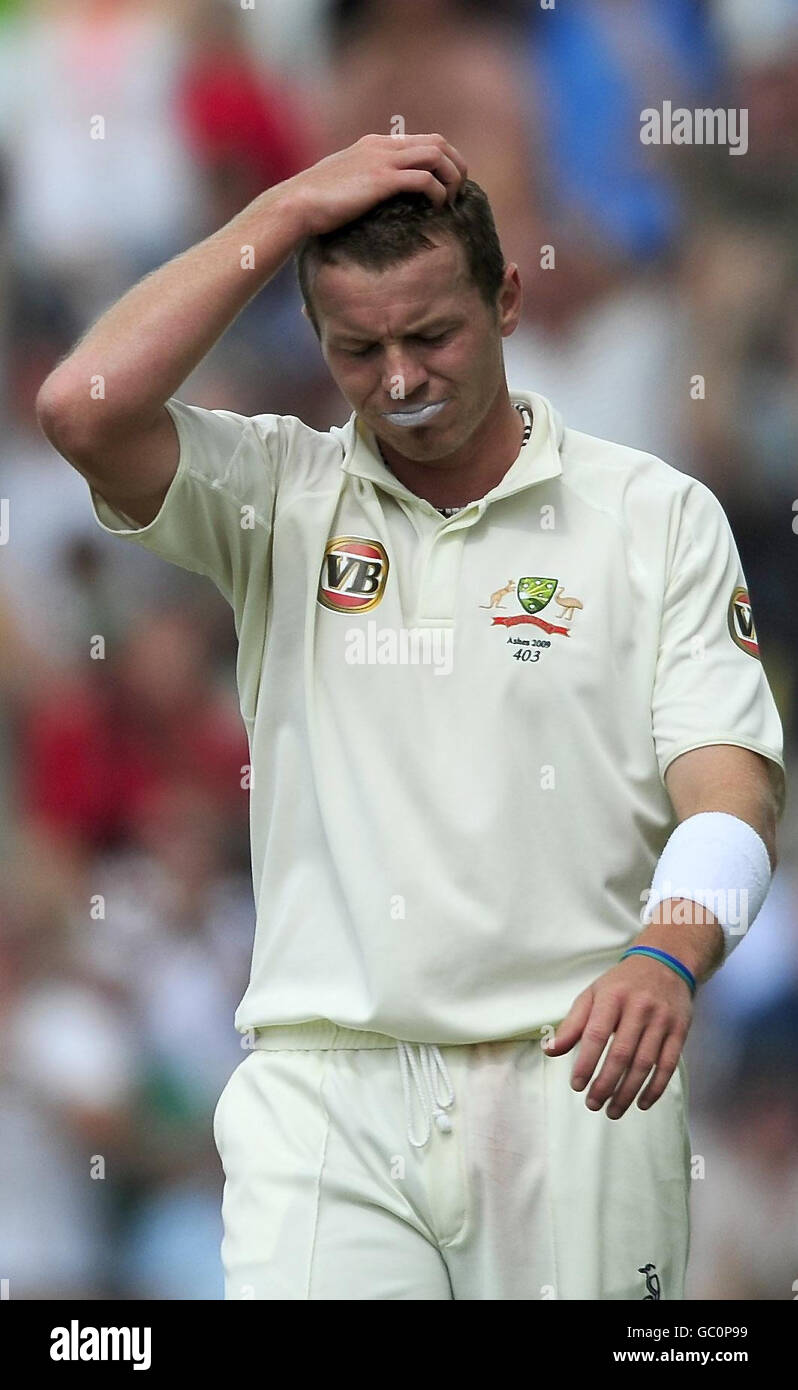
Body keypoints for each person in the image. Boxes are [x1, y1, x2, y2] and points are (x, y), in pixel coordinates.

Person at [35, 133, 785, 1300]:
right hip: (323, 1090)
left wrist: (668, 954)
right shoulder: (277, 491)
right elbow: (80, 410)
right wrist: (283, 210)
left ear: (508, 300)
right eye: (357, 347)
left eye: (432, 334)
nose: (398, 380)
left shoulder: (656, 516)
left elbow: (732, 793)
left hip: (578, 1072)